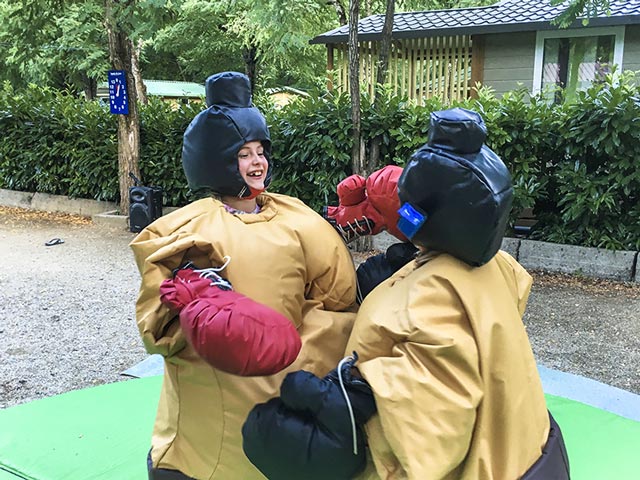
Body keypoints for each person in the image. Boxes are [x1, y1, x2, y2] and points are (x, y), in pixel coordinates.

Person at [242, 107, 569, 480]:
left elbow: (431, 434)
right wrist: (410, 261)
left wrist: (348, 409)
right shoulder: (495, 270)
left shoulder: (431, 302)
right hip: (528, 452)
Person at [129, 71, 358, 480]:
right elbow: (156, 328)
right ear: (216, 160)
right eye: (243, 154)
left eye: (260, 151)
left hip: (281, 389)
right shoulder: (184, 230)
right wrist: (199, 298)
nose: (257, 163)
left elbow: (339, 296)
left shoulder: (295, 217)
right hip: (208, 414)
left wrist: (299, 349)